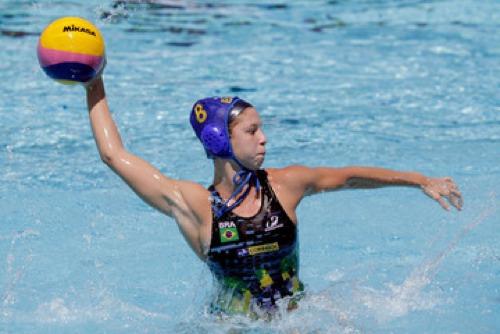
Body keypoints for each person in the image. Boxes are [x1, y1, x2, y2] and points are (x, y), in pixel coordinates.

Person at [84, 75, 463, 319]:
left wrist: (419, 179)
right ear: (219, 139)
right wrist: (93, 83)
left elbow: (347, 177)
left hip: (298, 320)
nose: (263, 138)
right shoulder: (197, 206)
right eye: (252, 130)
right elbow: (114, 156)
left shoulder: (284, 185)